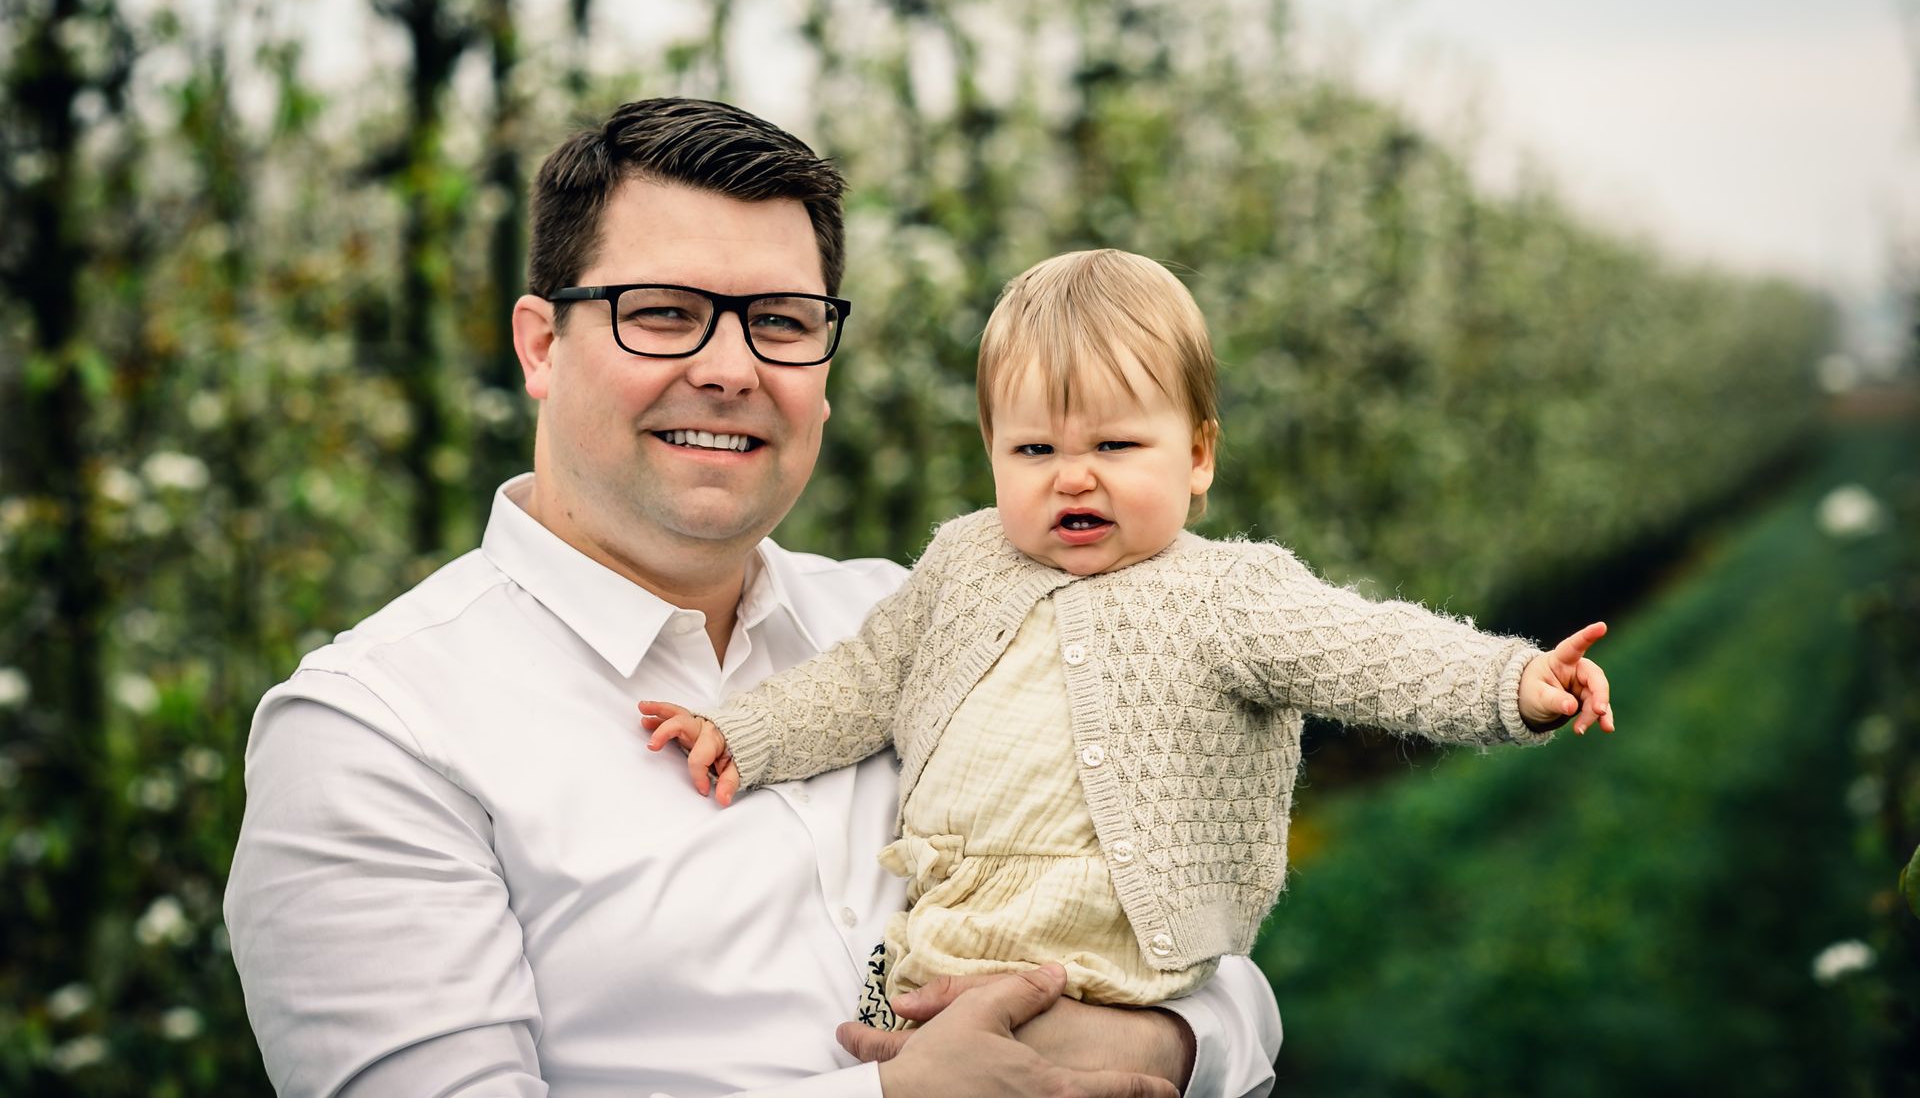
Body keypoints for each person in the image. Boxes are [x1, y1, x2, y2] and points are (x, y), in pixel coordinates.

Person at [223, 97, 1283, 1098]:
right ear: (542, 345)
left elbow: (1210, 958)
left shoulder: (931, 622)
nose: (731, 368)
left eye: (780, 320)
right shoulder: (377, 731)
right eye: (664, 314)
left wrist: (1158, 1038)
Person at [640, 249, 1616, 1025]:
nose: (1073, 476)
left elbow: (1368, 649)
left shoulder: (1225, 592)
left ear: (1196, 456)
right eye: (1034, 449)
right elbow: (861, 679)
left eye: (1114, 445)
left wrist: (1510, 680)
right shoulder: (964, 559)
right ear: (990, 454)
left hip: (1103, 975)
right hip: (932, 948)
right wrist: (750, 733)